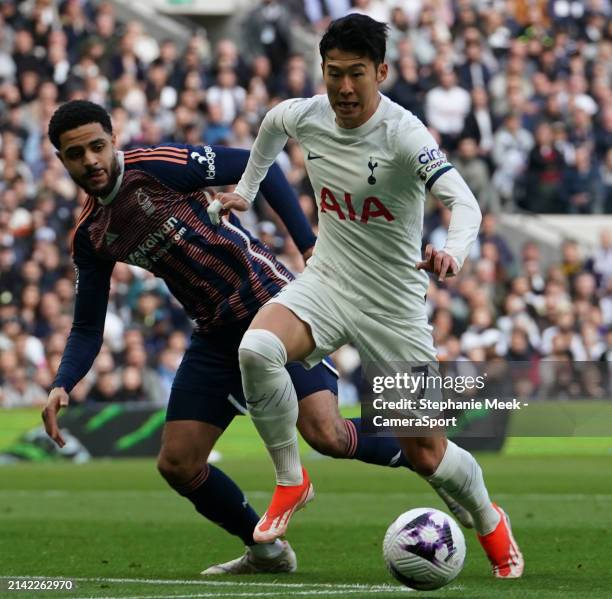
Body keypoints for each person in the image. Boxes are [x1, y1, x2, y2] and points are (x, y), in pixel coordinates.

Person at [40, 100, 470, 576]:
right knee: (177, 464)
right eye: (76, 154)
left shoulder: (159, 167)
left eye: (97, 146)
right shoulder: (91, 234)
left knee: (327, 435)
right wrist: (63, 382)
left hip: (273, 309)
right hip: (214, 334)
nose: (91, 161)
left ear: (113, 139)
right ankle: (265, 550)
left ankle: (427, 457)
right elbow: (86, 325)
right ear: (61, 160)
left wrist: (308, 242)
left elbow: (252, 161)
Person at [211, 15, 524, 579]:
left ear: (381, 71)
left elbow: (467, 204)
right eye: (334, 74)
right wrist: (246, 191)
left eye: (357, 74)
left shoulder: (405, 134)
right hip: (328, 281)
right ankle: (291, 481)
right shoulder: (304, 114)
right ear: (322, 71)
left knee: (427, 452)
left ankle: (486, 515)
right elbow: (270, 126)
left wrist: (452, 250)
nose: (345, 89)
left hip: (393, 304)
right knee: (257, 348)